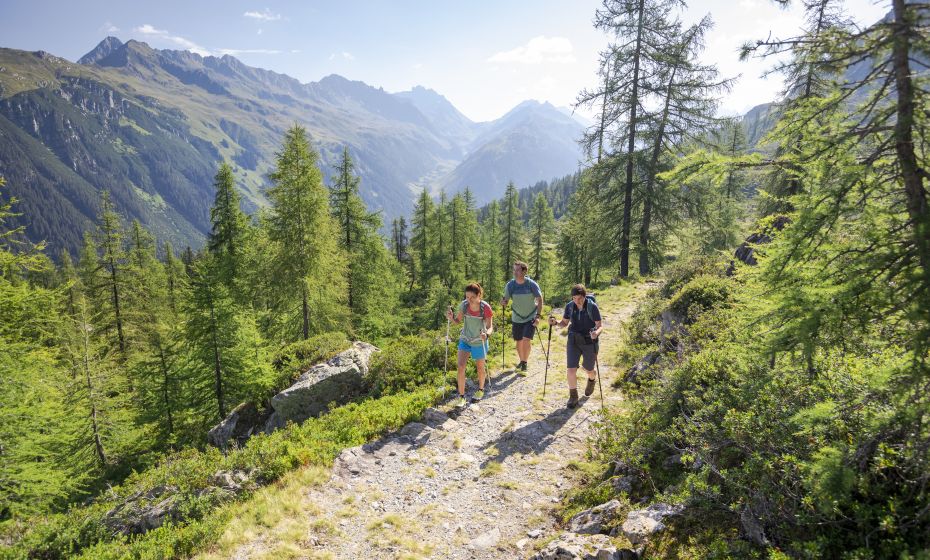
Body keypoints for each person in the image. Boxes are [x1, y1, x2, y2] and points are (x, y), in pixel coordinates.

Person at [548, 284, 603, 409]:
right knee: (571, 369)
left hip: (589, 341)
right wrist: (556, 323)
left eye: (579, 298)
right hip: (573, 340)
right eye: (574, 298)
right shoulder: (569, 306)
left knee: (588, 369)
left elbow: (600, 325)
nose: (577, 301)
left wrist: (596, 333)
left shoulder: (592, 307)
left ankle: (591, 380)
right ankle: (573, 397)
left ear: (584, 296)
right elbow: (564, 323)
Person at [446, 282, 494, 406]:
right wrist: (451, 318)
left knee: (480, 368)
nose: (469, 300)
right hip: (465, 339)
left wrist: (487, 335)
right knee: (461, 366)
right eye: (467, 297)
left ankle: (481, 390)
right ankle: (461, 397)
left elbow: (490, 327)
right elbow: (457, 321)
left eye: (472, 297)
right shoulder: (464, 306)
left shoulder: (485, 308)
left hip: (479, 341)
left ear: (479, 295)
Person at [500, 261, 543, 375]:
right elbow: (506, 300)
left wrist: (538, 316)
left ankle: (524, 362)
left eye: (518, 270)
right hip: (517, 317)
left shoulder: (531, 284)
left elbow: (540, 299)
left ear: (524, 271)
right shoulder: (510, 285)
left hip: (531, 317)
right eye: (514, 270)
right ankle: (521, 361)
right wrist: (503, 302)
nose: (515, 272)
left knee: (526, 339)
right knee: (518, 341)